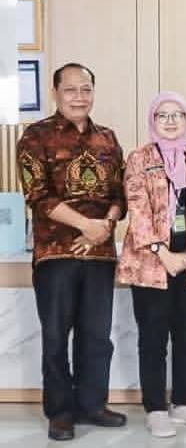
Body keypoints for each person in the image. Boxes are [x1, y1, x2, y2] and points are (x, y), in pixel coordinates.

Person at [16, 63, 127, 442]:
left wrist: (105, 226)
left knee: (97, 336)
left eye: (86, 89)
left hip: (100, 254)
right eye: (71, 90)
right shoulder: (36, 136)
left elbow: (120, 195)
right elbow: (38, 195)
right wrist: (85, 225)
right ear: (55, 93)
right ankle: (61, 412)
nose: (79, 97)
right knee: (56, 336)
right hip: (56, 253)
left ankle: (92, 405)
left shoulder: (108, 138)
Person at [117, 91, 186, 438]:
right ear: (153, 120)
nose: (170, 121)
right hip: (150, 263)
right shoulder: (139, 158)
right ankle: (156, 409)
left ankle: (184, 403)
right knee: (153, 338)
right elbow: (137, 209)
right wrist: (164, 254)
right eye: (162, 115)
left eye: (177, 114)